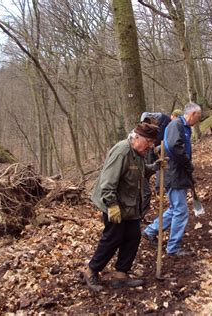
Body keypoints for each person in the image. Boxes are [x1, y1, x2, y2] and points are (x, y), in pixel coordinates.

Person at [82, 122, 161, 291]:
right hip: (114, 203)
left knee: (133, 236)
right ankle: (91, 271)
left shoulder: (138, 152)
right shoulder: (122, 151)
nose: (150, 146)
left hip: (130, 205)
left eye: (152, 143)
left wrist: (154, 168)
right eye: (149, 142)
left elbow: (138, 172)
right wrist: (112, 204)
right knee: (113, 238)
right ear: (137, 137)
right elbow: (108, 181)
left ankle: (120, 275)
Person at [142, 102, 202, 257]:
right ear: (192, 114)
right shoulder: (176, 125)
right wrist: (187, 163)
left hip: (179, 173)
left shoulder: (184, 127)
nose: (199, 119)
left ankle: (151, 230)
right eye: (199, 116)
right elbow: (173, 146)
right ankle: (173, 248)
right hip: (174, 174)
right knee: (181, 211)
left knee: (176, 209)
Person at [140, 112, 171, 216]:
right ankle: (138, 218)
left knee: (146, 192)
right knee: (145, 192)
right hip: (138, 168)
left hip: (157, 148)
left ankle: (138, 217)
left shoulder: (166, 122)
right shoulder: (138, 138)